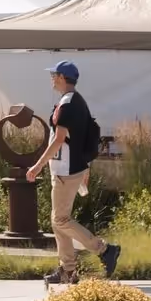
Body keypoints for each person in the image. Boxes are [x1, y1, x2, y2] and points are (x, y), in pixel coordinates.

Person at [25, 61, 117, 285]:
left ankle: (104, 250)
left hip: (66, 171)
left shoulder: (67, 104)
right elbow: (83, 137)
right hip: (68, 168)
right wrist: (86, 166)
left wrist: (37, 166)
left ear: (62, 77)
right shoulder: (76, 101)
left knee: (60, 220)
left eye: (54, 75)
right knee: (58, 220)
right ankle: (68, 271)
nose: (51, 78)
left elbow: (59, 140)